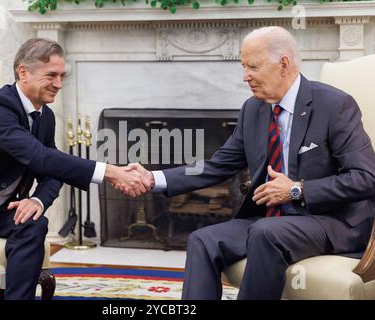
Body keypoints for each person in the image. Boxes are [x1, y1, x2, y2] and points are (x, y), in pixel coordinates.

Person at [118, 26, 375, 299]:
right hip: (274, 222)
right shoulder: (253, 109)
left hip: (332, 221)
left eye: (253, 66)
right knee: (203, 240)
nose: (245, 77)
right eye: (244, 66)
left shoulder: (334, 105)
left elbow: (366, 177)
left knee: (266, 231)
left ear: (283, 64)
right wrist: (153, 178)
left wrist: (297, 189)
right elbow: (217, 165)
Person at [0, 38, 149, 300]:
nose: (59, 84)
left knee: (33, 224)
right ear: (23, 72)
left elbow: (51, 169)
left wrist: (37, 200)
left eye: (61, 76)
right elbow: (38, 156)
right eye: (51, 75)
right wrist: (110, 171)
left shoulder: (44, 116)